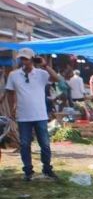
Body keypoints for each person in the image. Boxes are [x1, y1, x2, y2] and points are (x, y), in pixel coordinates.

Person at [4, 48, 62, 181]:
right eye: (22, 58)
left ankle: (47, 169)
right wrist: (12, 107)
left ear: (32, 59)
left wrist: (45, 65)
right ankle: (28, 171)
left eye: (26, 58)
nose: (24, 61)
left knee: (45, 144)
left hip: (40, 115)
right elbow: (9, 92)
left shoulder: (41, 73)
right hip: (23, 115)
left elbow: (57, 79)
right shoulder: (14, 75)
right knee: (24, 144)